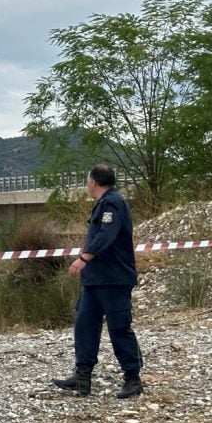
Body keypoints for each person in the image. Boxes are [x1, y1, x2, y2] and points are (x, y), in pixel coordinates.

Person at [53, 164, 144, 399]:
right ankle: (82, 376)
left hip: (114, 279)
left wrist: (84, 258)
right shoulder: (103, 203)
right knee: (85, 325)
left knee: (119, 327)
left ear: (93, 182)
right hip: (95, 280)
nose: (86, 185)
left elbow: (106, 235)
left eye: (87, 181)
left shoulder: (113, 203)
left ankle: (133, 378)